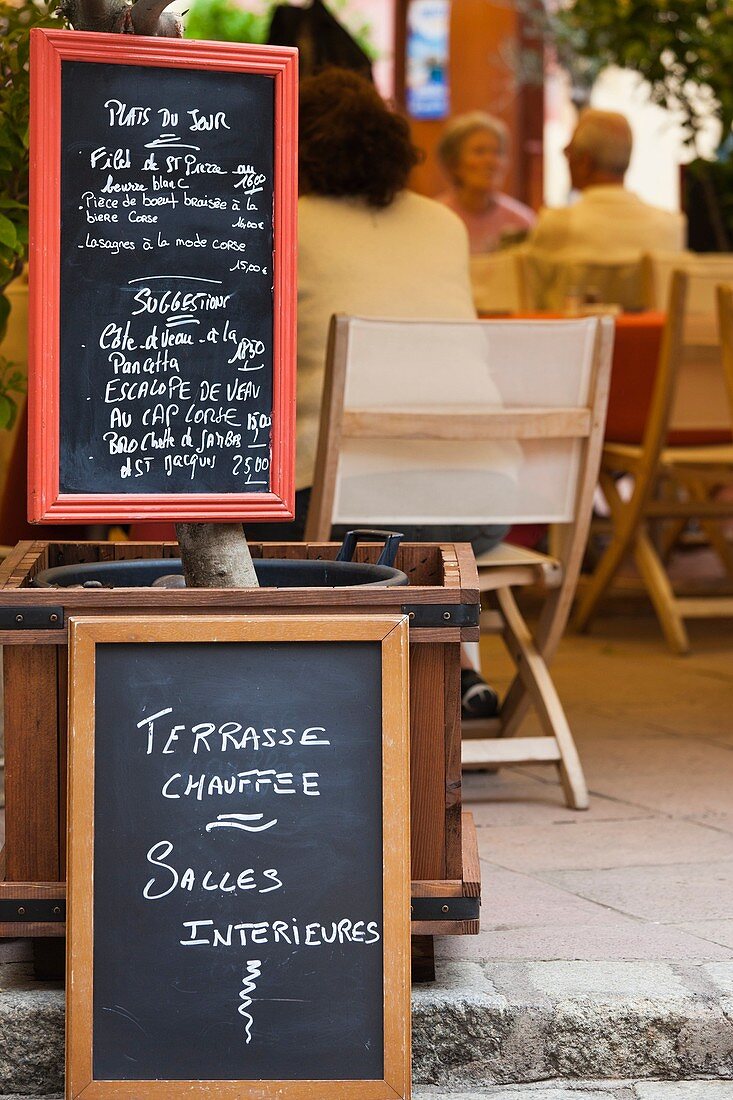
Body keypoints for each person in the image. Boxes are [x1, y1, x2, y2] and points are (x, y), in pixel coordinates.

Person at [255, 68, 511, 717]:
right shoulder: (442, 224)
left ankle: (297, 694)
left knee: (241, 516)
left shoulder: (279, 225)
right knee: (417, 532)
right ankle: (449, 667)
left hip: (338, 511)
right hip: (479, 506)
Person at [528, 109, 686, 261]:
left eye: (568, 152)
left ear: (584, 162)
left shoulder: (556, 226)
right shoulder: (671, 228)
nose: (566, 160)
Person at [435, 112, 536, 253]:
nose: (491, 161)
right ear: (453, 162)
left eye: (498, 152)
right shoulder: (436, 219)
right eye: (479, 152)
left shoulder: (521, 221)